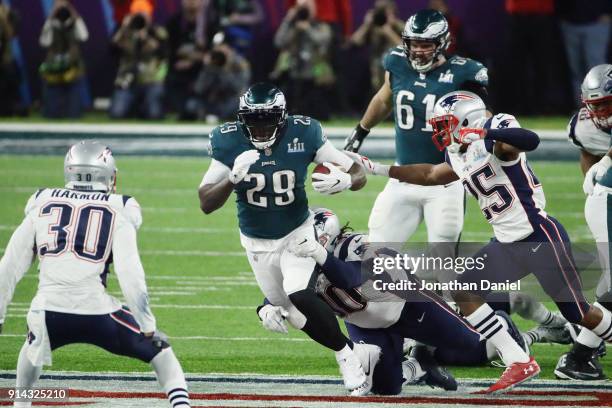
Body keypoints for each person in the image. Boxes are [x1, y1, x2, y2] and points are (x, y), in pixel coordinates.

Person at [348, 90, 612, 393]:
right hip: (507, 244)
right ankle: (518, 360)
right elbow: (431, 174)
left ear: (466, 119)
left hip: (539, 236)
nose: (439, 132)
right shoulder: (457, 152)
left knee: (578, 313)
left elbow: (529, 140)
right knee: (462, 287)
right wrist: (378, 168)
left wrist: (484, 132)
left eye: (444, 124)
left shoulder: (496, 135)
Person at [197, 83, 378, 396]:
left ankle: (346, 357)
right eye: (253, 121)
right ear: (242, 119)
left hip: (297, 230)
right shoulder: (227, 141)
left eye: (267, 120)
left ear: (282, 119)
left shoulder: (304, 133)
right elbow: (206, 203)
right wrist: (231, 179)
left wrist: (347, 179)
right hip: (255, 241)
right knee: (290, 313)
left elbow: (358, 172)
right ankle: (359, 352)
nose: (260, 128)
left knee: (301, 295)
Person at [0, 141, 191, 408]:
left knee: (32, 345)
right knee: (162, 353)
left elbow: (9, 265)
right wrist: (147, 326)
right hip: (98, 313)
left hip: (46, 314)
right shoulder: (120, 206)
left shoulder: (42, 201)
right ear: (109, 175)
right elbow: (130, 273)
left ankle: (21, 403)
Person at [344, 10, 488, 274]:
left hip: (446, 181)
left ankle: (456, 312)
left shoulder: (464, 73)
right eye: (414, 44)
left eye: (426, 45)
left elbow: (481, 117)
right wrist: (361, 131)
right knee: (377, 252)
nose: (418, 51)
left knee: (444, 268)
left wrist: (472, 145)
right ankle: (385, 311)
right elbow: (384, 99)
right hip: (404, 176)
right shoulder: (396, 62)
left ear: (442, 43)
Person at [557, 64, 612, 380]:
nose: (601, 112)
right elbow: (588, 155)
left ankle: (590, 338)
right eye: (596, 105)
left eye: (606, 103)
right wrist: (594, 179)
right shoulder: (583, 126)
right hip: (608, 200)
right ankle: (578, 356)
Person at [272, 0, 333, 120]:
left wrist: (308, 29)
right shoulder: (291, 26)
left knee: (319, 110)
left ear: (314, 9)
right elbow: (278, 42)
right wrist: (287, 20)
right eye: (302, 7)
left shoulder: (321, 26)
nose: (305, 10)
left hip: (315, 74)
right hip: (292, 72)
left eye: (308, 7)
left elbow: (323, 41)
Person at [109, 1, 168, 119]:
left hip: (151, 81)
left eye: (143, 14)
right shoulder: (124, 32)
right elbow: (112, 49)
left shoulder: (158, 32)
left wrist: (145, 35)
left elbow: (161, 52)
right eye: (137, 14)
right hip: (127, 80)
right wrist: (124, 27)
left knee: (154, 114)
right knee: (117, 113)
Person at [39, 0, 88, 118]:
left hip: (72, 70)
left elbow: (84, 36)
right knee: (50, 114)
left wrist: (72, 12)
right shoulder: (51, 23)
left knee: (74, 114)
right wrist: (51, 16)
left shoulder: (74, 22)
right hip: (54, 71)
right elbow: (44, 42)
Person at [185, 32, 250, 122]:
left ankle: (216, 116)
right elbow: (199, 89)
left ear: (229, 48)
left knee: (238, 104)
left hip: (230, 100)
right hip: (212, 101)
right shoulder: (212, 63)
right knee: (191, 105)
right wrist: (207, 69)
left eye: (221, 46)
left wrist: (225, 70)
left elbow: (238, 89)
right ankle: (209, 115)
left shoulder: (239, 64)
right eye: (216, 47)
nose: (219, 50)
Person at [557, 1, 611, 107]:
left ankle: (601, 108)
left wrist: (608, 11)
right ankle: (582, 108)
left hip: (597, 23)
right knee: (575, 70)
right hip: (570, 23)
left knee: (597, 70)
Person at [165, 0, 209, 118]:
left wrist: (192, 60)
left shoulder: (210, 23)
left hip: (202, 72)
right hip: (178, 70)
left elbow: (212, 54)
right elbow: (170, 50)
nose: (192, 3)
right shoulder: (174, 22)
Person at [349, 0, 403, 94]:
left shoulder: (400, 26)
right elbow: (355, 41)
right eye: (378, 10)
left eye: (384, 10)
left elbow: (406, 48)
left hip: (396, 76)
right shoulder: (374, 28)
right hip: (377, 76)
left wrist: (388, 31)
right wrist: (366, 25)